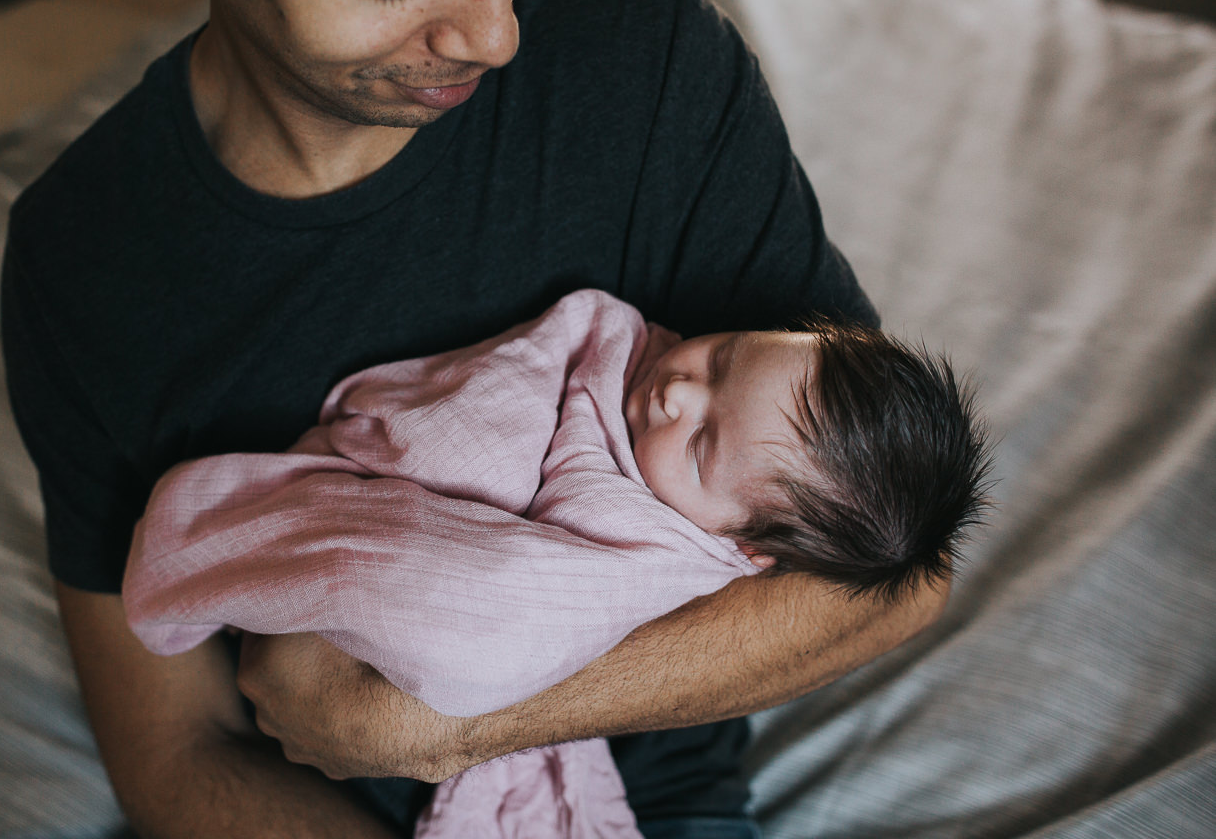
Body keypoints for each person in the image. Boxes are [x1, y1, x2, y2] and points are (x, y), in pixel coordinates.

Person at [0, 0, 953, 836]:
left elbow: (894, 578)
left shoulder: (650, 69)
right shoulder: (81, 259)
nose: (495, 34)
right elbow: (175, 754)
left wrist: (448, 726)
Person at [119, 289, 990, 838]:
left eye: (703, 442)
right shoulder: (608, 345)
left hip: (665, 785)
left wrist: (460, 722)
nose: (679, 389)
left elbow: (911, 583)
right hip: (343, 786)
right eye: (722, 358)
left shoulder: (681, 548)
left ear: (747, 548)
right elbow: (475, 410)